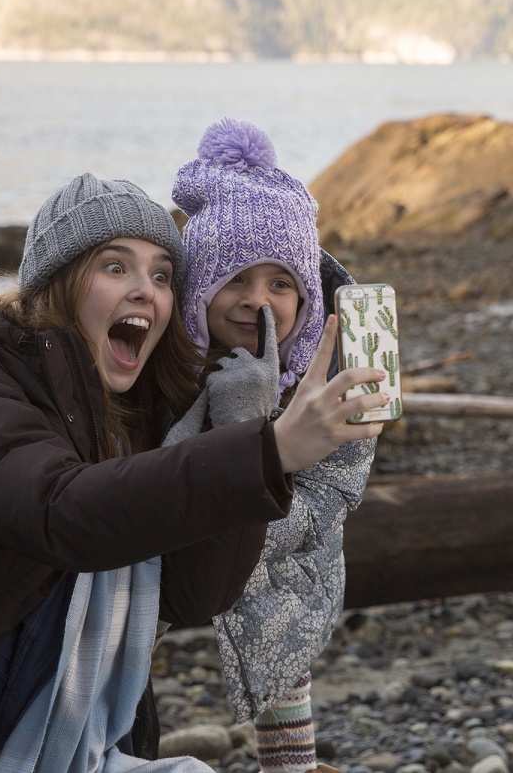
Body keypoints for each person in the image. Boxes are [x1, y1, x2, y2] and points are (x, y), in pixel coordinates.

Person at [0, 173, 386, 773]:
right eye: (116, 267)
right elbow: (59, 510)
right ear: (58, 281)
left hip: (56, 734)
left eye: (163, 275)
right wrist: (266, 453)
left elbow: (194, 595)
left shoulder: (142, 408)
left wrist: (237, 426)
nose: (146, 290)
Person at [170, 117, 378, 773]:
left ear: (305, 297)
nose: (256, 301)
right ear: (198, 284)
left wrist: (256, 448)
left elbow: (333, 492)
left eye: (280, 284)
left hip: (284, 535)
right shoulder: (160, 361)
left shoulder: (329, 369)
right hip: (162, 527)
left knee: (277, 588)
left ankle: (290, 758)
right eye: (235, 279)